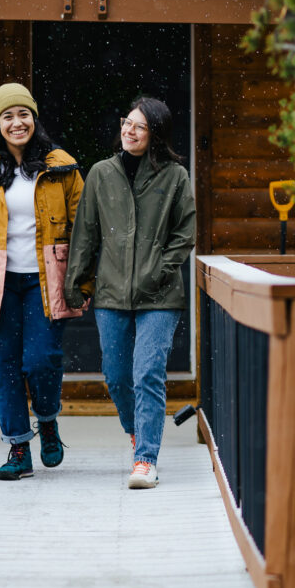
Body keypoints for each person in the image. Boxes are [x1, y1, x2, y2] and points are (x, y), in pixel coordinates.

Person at [0, 82, 88, 481]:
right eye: (7, 116)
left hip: (47, 278)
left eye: (23, 114)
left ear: (34, 118)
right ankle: (18, 448)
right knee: (3, 365)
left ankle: (47, 420)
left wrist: (83, 277)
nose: (16, 122)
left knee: (42, 359)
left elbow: (84, 226)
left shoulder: (62, 165)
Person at [64, 96, 196, 489]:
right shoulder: (102, 174)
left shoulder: (175, 176)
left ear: (155, 134)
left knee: (148, 373)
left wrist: (159, 269)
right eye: (126, 122)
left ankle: (145, 460)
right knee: (118, 376)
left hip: (160, 294)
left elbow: (184, 232)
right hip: (111, 293)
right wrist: (77, 282)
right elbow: (85, 233)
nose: (129, 130)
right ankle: (137, 430)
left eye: (138, 126)